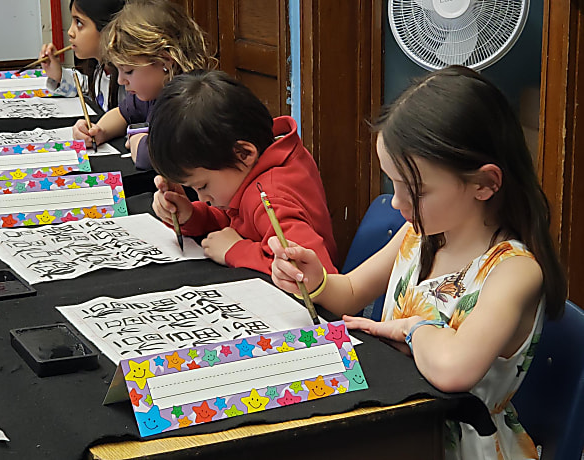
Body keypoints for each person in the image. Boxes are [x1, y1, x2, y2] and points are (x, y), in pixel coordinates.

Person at [269, 65, 567, 460]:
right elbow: (352, 291)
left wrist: (411, 328)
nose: (396, 202)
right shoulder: (419, 235)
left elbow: (454, 370)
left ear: (484, 184)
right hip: (396, 424)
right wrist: (315, 280)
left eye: (416, 191)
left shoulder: (514, 271)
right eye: (392, 183)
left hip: (456, 445)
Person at [149, 70, 339, 276]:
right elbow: (237, 221)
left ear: (243, 153)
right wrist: (192, 217)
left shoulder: (270, 198)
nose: (202, 198)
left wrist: (236, 251)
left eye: (203, 186)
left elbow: (313, 273)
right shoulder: (258, 165)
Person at [72, 0, 215, 169]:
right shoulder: (153, 92)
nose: (120, 81)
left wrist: (137, 140)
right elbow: (123, 113)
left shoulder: (189, 103)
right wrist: (98, 131)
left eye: (129, 71)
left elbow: (150, 157)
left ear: (165, 62)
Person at [41, 0, 125, 112]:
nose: (70, 32)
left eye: (79, 23)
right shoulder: (100, 69)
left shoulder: (129, 83)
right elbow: (86, 87)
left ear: (108, 29)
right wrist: (58, 75)